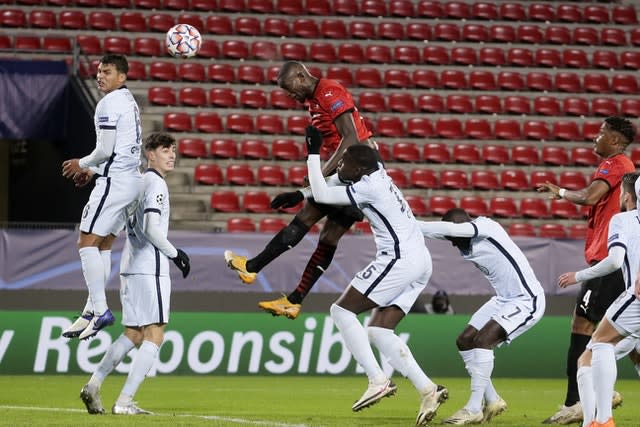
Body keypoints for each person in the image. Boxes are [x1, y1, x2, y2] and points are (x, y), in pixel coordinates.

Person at [302, 126, 448, 425]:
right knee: (380, 330)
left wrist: (314, 153)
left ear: (359, 168)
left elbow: (321, 192)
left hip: (399, 258)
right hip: (420, 259)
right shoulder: (379, 176)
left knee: (341, 311)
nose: (340, 165)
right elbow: (367, 158)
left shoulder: (369, 186)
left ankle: (377, 380)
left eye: (345, 163)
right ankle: (428, 389)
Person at [224, 61, 376, 320]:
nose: (290, 95)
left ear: (300, 76)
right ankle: (292, 300)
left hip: (359, 170)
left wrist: (322, 172)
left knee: (308, 219)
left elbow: (351, 137)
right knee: (327, 237)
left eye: (289, 89)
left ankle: (253, 268)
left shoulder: (330, 92)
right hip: (351, 169)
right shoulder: (314, 100)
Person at [79, 132, 190, 415]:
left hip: (129, 266)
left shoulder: (136, 183)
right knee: (155, 335)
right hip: (149, 267)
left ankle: (93, 384)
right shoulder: (156, 184)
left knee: (135, 333)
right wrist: (176, 254)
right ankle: (125, 401)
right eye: (166, 150)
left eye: (174, 150)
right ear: (150, 154)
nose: (172, 155)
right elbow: (153, 228)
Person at [536, 116, 635, 424]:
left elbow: (589, 196)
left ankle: (578, 402)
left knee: (585, 328)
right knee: (622, 335)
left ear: (616, 141)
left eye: (601, 133)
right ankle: (597, 392)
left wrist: (561, 192)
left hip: (608, 261)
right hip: (610, 262)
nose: (595, 137)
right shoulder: (622, 168)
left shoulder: (616, 163)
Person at [419, 208, 545, 425]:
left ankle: (473, 408)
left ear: (460, 227)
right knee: (465, 340)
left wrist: (405, 220)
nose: (452, 243)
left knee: (483, 340)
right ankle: (492, 399)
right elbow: (439, 232)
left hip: (526, 299)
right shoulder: (461, 236)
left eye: (453, 238)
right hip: (503, 298)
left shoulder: (486, 227)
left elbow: (447, 229)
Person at [61, 54, 144, 341]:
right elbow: (120, 149)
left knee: (85, 243)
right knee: (104, 245)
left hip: (116, 183)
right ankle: (89, 310)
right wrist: (94, 170)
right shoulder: (128, 100)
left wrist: (82, 164)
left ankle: (100, 310)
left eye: (107, 72)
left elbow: (106, 149)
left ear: (122, 77)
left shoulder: (109, 103)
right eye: (98, 71)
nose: (100, 76)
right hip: (131, 181)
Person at [557, 172, 640, 427]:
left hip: (636, 299)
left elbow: (615, 260)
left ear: (626, 196)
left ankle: (601, 420)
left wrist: (577, 276)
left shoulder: (623, 220)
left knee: (596, 347)